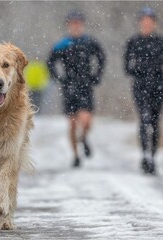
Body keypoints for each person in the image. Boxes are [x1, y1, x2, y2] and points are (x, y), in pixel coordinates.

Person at [47, 10, 105, 168]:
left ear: (82, 25)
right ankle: (75, 155)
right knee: (72, 124)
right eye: (73, 23)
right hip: (69, 87)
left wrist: (96, 75)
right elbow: (50, 61)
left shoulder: (90, 42)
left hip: (86, 85)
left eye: (78, 23)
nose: (75, 26)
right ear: (68, 25)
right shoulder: (63, 44)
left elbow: (101, 58)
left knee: (86, 120)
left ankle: (84, 138)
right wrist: (58, 78)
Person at [124, 7, 163, 175]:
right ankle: (144, 155)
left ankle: (153, 156)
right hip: (140, 86)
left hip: (159, 85)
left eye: (150, 20)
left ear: (154, 23)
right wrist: (136, 70)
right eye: (144, 20)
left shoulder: (162, 42)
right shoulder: (133, 42)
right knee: (144, 118)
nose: (147, 23)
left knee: (154, 122)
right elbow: (126, 65)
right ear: (140, 23)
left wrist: (160, 59)